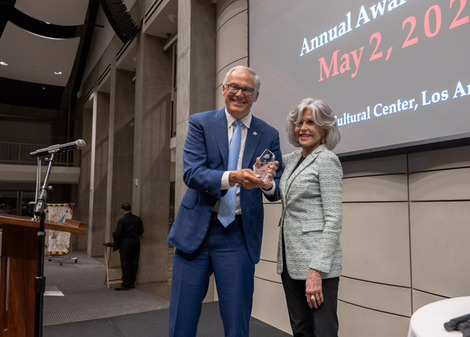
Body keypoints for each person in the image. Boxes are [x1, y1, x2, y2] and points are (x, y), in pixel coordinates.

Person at [167, 65, 282, 337]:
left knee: (237, 325)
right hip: (195, 231)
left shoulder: (269, 134)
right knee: (181, 322)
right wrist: (233, 177)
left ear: (256, 97)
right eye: (234, 87)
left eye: (247, 90)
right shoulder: (201, 123)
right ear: (223, 90)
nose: (239, 94)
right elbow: (192, 173)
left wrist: (265, 183)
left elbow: (275, 189)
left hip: (237, 236)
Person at [277, 98, 343, 337]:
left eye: (311, 122)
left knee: (322, 331)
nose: (303, 128)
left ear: (324, 128)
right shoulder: (293, 159)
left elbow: (334, 220)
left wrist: (316, 271)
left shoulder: (327, 161)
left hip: (317, 265)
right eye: (299, 122)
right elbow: (276, 187)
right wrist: (264, 178)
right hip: (290, 260)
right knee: (301, 330)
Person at [113, 202, 144, 291]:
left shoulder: (122, 220)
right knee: (134, 262)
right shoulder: (137, 219)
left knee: (125, 263)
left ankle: (125, 283)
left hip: (125, 243)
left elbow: (118, 233)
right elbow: (141, 231)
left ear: (122, 210)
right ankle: (132, 282)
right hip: (135, 242)